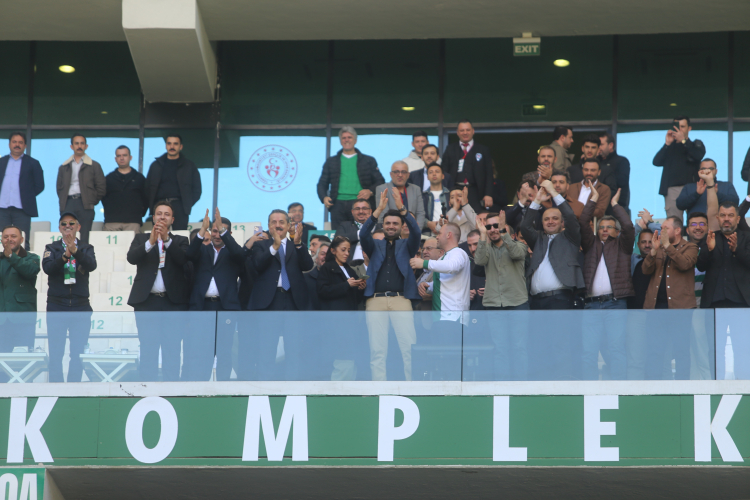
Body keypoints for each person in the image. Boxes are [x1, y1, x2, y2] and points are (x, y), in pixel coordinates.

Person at [520, 180, 585, 380]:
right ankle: (540, 386)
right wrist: (537, 201)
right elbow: (524, 226)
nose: (550, 221)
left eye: (555, 218)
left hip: (561, 299)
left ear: (561, 222)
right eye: (546, 219)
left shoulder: (571, 238)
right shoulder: (538, 239)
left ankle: (562, 385)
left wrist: (553, 193)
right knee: (538, 345)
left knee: (560, 344)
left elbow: (571, 217)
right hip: (537, 301)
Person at [244, 209, 314, 380]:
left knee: (294, 348)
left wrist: (298, 244)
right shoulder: (261, 245)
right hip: (269, 301)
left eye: (282, 222)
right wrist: (274, 247)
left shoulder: (295, 245)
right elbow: (257, 265)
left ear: (289, 225)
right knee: (266, 347)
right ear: (268, 226)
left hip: (293, 301)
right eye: (274, 222)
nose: (278, 225)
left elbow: (307, 265)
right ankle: (264, 386)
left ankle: (292, 386)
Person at [360, 188, 421, 381]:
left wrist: (402, 209)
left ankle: (412, 387)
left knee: (409, 347)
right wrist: (378, 210)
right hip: (375, 300)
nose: (391, 226)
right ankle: (379, 388)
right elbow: (363, 234)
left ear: (402, 226)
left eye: (395, 223)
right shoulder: (375, 245)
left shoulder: (407, 245)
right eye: (387, 223)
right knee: (377, 349)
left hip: (401, 300)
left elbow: (416, 232)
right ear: (383, 225)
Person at [127, 200, 190, 382]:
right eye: (159, 214)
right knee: (148, 347)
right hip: (147, 302)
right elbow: (131, 258)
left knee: (172, 347)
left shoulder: (180, 240)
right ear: (154, 217)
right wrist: (151, 242)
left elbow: (183, 260)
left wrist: (167, 240)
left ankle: (172, 387)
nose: (162, 217)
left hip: (173, 303)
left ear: (172, 220)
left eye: (167, 214)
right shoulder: (141, 239)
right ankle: (147, 387)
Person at [184, 208, 246, 381]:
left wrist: (225, 233)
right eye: (215, 231)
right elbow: (189, 254)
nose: (217, 235)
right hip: (202, 307)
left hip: (225, 307)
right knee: (202, 351)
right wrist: (203, 229)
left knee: (224, 351)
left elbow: (240, 255)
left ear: (229, 233)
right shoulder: (202, 250)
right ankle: (201, 388)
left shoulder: (233, 252)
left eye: (221, 231)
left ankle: (223, 388)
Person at [579, 187, 634, 380]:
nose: (604, 230)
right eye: (601, 227)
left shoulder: (623, 246)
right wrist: (593, 199)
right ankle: (589, 390)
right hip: (591, 305)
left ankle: (618, 388)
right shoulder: (590, 245)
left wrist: (615, 205)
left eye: (609, 227)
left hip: (615, 304)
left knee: (616, 348)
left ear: (617, 232)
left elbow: (628, 227)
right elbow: (582, 222)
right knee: (588, 351)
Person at [474, 211, 529, 380]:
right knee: (500, 348)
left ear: (505, 228)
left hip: (517, 303)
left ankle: (521, 387)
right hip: (494, 305)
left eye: (496, 225)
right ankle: (502, 387)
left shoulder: (519, 245)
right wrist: (482, 235)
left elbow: (516, 253)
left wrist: (504, 232)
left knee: (519, 347)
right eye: (489, 226)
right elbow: (479, 261)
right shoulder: (486, 248)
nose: (492, 229)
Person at [641, 216, 697, 379]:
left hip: (681, 309)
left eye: (666, 228)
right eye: (662, 228)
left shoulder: (690, 247)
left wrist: (667, 246)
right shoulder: (659, 247)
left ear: (678, 230)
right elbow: (645, 270)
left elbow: (685, 264)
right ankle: (654, 388)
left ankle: (682, 388)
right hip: (656, 308)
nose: (662, 231)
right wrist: (653, 251)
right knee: (654, 350)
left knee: (681, 350)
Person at [43, 212, 97, 382]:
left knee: (78, 352)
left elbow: (91, 265)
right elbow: (48, 268)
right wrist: (65, 255)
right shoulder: (51, 248)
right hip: (57, 305)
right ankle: (55, 388)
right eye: (64, 223)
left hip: (81, 305)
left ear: (78, 227)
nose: (68, 226)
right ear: (59, 228)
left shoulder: (86, 248)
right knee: (56, 351)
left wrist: (75, 251)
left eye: (72, 223)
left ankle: (74, 388)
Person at [317, 235, 366, 380]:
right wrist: (346, 285)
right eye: (343, 250)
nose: (347, 253)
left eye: (348, 250)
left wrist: (360, 289)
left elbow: (355, 299)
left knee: (350, 357)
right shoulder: (327, 268)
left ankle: (348, 386)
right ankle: (338, 387)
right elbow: (322, 291)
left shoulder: (350, 270)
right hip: (335, 322)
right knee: (342, 357)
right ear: (333, 250)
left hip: (350, 321)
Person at [317, 126, 384, 228]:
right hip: (337, 205)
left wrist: (370, 191)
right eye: (344, 138)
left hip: (361, 204)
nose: (346, 140)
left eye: (349, 137)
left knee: (363, 233)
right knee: (339, 236)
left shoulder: (368, 160)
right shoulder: (331, 161)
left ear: (355, 140)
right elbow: (322, 183)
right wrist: (324, 197)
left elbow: (380, 181)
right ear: (340, 141)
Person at [410, 221, 470, 320]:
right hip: (441, 316)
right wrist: (428, 285)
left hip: (453, 316)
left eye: (439, 233)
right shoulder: (444, 257)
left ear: (448, 235)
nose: (437, 237)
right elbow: (445, 282)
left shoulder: (458, 252)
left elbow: (452, 266)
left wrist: (424, 263)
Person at [698, 201, 750, 308]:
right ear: (718, 218)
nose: (726, 219)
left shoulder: (747, 238)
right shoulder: (710, 237)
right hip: (713, 301)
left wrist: (737, 250)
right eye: (722, 215)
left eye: (730, 215)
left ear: (738, 219)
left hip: (742, 301)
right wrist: (709, 250)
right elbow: (700, 267)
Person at [652, 116, 706, 220]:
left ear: (689, 128)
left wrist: (684, 141)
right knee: (674, 221)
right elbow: (656, 162)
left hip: (692, 188)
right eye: (677, 126)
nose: (679, 129)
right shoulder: (670, 147)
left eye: (682, 126)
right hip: (672, 189)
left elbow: (698, 155)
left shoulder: (694, 144)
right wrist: (667, 144)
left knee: (695, 220)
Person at [55, 134, 106, 245]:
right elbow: (59, 188)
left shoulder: (94, 165)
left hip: (85, 204)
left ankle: (82, 256)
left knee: (84, 235)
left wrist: (92, 200)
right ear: (71, 146)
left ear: (86, 146)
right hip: (68, 203)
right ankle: (67, 255)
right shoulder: (64, 167)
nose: (79, 146)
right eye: (76, 143)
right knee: (67, 234)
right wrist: (64, 201)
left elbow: (101, 187)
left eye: (82, 143)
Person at [145, 134, 202, 231]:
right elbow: (147, 188)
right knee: (158, 234)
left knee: (179, 236)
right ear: (166, 146)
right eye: (169, 143)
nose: (172, 146)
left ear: (181, 146)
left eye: (175, 144)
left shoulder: (189, 166)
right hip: (159, 205)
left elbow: (197, 190)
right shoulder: (156, 165)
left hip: (179, 207)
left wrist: (186, 204)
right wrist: (153, 206)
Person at [0, 226, 40, 363]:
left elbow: (29, 271)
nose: (9, 239)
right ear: (1, 240)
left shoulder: (32, 258)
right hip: (2, 320)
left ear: (22, 239)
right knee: (1, 364)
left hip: (23, 319)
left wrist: (11, 256)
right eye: (5, 237)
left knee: (24, 362)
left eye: (13, 236)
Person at [0, 133, 44, 250]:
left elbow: (39, 185)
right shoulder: (1, 162)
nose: (17, 145)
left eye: (20, 142)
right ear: (9, 144)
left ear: (25, 145)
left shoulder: (33, 163)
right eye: (14, 142)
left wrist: (26, 197)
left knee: (23, 241)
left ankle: (23, 262)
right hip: (2, 209)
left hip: (23, 209)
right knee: (1, 240)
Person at [441, 120, 494, 211]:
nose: (465, 133)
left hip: (476, 192)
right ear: (457, 132)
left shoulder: (483, 149)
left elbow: (489, 174)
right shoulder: (450, 149)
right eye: (462, 130)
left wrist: (488, 194)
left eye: (468, 130)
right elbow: (444, 172)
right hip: (455, 191)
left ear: (473, 131)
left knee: (475, 217)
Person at [101, 145, 148, 231]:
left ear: (130, 157)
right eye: (119, 156)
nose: (122, 158)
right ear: (115, 159)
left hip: (133, 222)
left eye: (124, 155)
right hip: (111, 222)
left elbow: (146, 198)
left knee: (134, 241)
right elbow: (103, 197)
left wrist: (139, 213)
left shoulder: (139, 178)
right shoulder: (108, 179)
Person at [375, 161, 426, 230]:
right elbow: (383, 215)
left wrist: (416, 231)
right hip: (392, 231)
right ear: (391, 174)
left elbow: (420, 213)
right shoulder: (382, 189)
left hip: (413, 230)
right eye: (396, 172)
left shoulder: (416, 189)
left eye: (403, 172)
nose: (400, 175)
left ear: (408, 175)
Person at [598, 132, 631, 213]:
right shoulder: (596, 162)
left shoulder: (621, 161)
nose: (599, 147)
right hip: (599, 206)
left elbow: (621, 182)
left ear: (610, 145)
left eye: (601, 144)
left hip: (616, 206)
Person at [421, 163, 450, 237]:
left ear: (443, 176)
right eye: (431, 172)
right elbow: (418, 215)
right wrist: (428, 223)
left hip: (448, 232)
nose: (434, 174)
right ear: (427, 177)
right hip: (428, 235)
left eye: (437, 172)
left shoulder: (449, 195)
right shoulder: (422, 196)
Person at [305, 242, 329, 311]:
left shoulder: (338, 280)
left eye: (328, 255)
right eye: (322, 254)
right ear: (316, 258)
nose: (325, 257)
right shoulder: (305, 279)